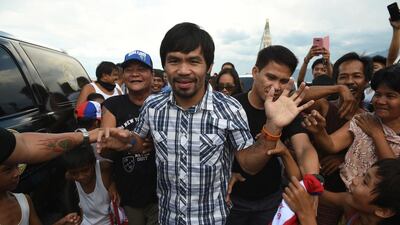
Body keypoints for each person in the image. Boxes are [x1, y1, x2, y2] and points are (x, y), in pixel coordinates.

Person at [96, 22, 314, 225]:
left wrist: (273, 126)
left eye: (193, 61)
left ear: (208, 67)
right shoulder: (152, 106)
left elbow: (249, 165)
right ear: (164, 65)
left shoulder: (229, 108)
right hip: (168, 218)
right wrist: (125, 142)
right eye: (174, 61)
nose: (183, 70)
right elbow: (140, 142)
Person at [225, 45, 320, 225]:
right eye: (270, 77)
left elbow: (304, 147)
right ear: (255, 72)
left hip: (270, 198)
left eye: (283, 81)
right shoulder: (232, 106)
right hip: (232, 198)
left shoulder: (286, 109)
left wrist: (312, 182)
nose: (276, 87)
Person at [303, 64, 400, 190]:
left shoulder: (370, 125)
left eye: (390, 96)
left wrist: (377, 134)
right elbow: (331, 145)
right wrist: (319, 131)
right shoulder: (364, 119)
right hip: (347, 194)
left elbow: (393, 174)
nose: (380, 101)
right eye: (378, 94)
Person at [102, 50, 158, 225]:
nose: (135, 74)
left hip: (162, 192)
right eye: (129, 69)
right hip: (128, 190)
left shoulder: (164, 103)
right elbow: (106, 146)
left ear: (152, 74)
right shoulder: (113, 105)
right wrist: (110, 182)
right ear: (123, 75)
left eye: (141, 69)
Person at [283, 158, 400, 225]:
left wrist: (307, 216)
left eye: (365, 182)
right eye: (363, 175)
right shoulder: (350, 204)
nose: (354, 180)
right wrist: (285, 154)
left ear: (383, 211)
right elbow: (309, 190)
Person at [0, 131, 82, 225]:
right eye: (7, 170)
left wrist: (61, 223)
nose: (17, 173)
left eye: (17, 166)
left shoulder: (24, 202)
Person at [63, 144, 119, 225]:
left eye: (85, 170)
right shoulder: (70, 176)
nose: (80, 177)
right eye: (74, 173)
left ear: (93, 163)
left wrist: (114, 183)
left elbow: (120, 169)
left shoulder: (104, 169)